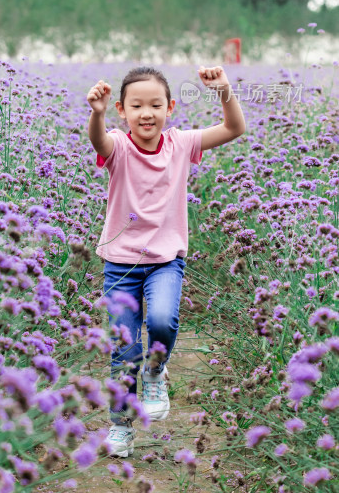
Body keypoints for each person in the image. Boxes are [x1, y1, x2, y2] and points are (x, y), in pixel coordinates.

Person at [87, 65, 246, 458]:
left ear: (170, 108)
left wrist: (223, 89)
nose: (147, 113)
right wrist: (97, 113)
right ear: (122, 111)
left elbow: (233, 129)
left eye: (155, 104)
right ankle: (121, 427)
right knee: (123, 351)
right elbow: (99, 142)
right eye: (136, 105)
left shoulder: (181, 143)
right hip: (120, 265)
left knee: (161, 321)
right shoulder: (118, 147)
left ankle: (156, 370)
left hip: (165, 261)